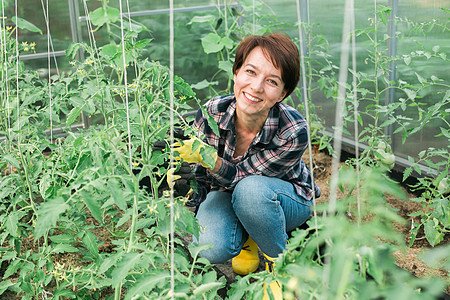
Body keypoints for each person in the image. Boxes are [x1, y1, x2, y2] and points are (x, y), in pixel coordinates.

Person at [173, 32, 320, 299]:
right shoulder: (212, 112)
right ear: (236, 72)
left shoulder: (293, 130)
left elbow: (244, 177)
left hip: (285, 199)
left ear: (282, 94)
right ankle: (250, 237)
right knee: (208, 247)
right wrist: (188, 184)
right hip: (228, 193)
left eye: (272, 81)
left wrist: (212, 161)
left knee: (251, 192)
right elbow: (201, 179)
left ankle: (279, 264)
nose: (256, 87)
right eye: (250, 72)